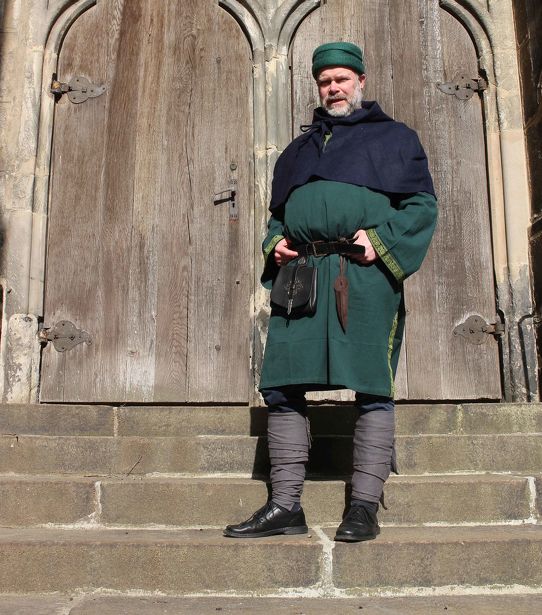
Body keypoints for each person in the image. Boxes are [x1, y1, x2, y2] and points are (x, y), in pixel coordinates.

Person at [224, 42, 437, 542]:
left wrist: (380, 241)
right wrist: (275, 243)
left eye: (342, 78)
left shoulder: (395, 139)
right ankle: (285, 506)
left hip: (362, 275)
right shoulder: (297, 152)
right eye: (325, 81)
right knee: (282, 384)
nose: (334, 88)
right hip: (302, 276)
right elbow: (277, 218)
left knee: (372, 385)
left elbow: (422, 208)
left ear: (361, 81)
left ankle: (363, 507)